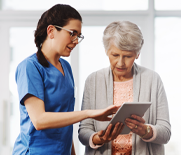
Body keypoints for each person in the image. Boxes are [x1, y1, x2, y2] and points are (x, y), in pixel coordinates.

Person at [12, 4, 121, 155]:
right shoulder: (30, 67)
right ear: (51, 31)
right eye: (72, 33)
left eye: (79, 36)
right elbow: (39, 120)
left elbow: (65, 121)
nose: (76, 41)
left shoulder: (66, 68)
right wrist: (88, 113)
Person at [78, 21, 171, 155]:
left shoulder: (152, 80)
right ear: (106, 51)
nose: (120, 63)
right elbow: (83, 132)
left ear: (137, 54)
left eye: (128, 56)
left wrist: (145, 131)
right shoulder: (93, 81)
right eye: (115, 55)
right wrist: (100, 138)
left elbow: (166, 133)